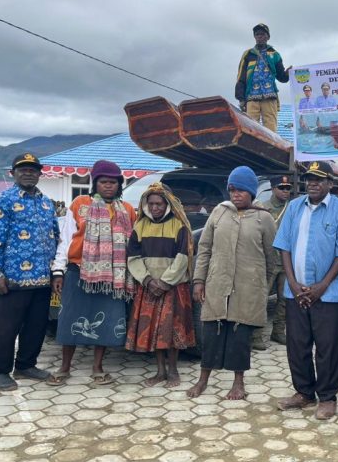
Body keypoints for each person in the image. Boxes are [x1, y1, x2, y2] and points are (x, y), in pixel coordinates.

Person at [273, 161, 338, 420]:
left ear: (330, 184)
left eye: (319, 180)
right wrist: (294, 284)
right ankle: (304, 393)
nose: (313, 183)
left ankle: (328, 397)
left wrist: (322, 286)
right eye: (309, 179)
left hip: (328, 294)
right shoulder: (295, 207)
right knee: (297, 344)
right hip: (295, 291)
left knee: (328, 347)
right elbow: (284, 246)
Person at [186, 166, 276, 400]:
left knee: (239, 337)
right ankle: (203, 380)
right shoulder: (219, 212)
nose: (236, 194)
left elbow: (271, 258)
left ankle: (238, 384)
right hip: (217, 284)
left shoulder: (264, 218)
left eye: (242, 190)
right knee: (211, 334)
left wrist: (261, 286)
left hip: (248, 288)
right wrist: (199, 280)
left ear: (252, 192)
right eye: (232, 190)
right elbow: (204, 248)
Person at [48, 160, 137, 386]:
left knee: (106, 321)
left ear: (120, 184)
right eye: (103, 182)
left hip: (113, 277)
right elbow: (66, 239)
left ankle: (98, 367)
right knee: (69, 318)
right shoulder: (80, 204)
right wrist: (58, 271)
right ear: (95, 183)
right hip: (79, 271)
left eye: (113, 182)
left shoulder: (127, 210)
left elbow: (132, 243)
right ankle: (64, 367)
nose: (108, 186)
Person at [0, 153, 59, 391]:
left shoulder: (46, 203)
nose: (28, 173)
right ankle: (0, 371)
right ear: (12, 173)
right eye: (23, 169)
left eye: (33, 169)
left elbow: (55, 237)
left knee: (37, 326)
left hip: (42, 279)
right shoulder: (1, 201)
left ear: (39, 173)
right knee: (7, 328)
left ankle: (26, 365)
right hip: (13, 280)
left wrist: (56, 271)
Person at [126, 183, 195, 388]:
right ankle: (160, 371)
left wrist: (165, 282)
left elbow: (183, 257)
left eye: (159, 204)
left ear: (168, 204)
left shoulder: (179, 226)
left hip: (172, 287)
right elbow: (133, 257)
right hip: (148, 286)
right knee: (155, 331)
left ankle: (173, 371)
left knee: (171, 330)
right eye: (151, 204)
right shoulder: (140, 226)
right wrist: (147, 280)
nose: (155, 208)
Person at [253, 174, 294, 349]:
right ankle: (256, 336)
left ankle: (278, 331)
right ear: (273, 189)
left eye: (288, 188)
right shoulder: (261, 208)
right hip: (267, 261)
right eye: (281, 188)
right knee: (261, 299)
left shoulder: (292, 208)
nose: (285, 191)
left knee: (284, 299)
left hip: (286, 261)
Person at [235, 23, 289, 132]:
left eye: (263, 34)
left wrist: (288, 74)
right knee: (249, 127)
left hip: (270, 96)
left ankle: (271, 148)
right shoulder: (248, 54)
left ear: (268, 37)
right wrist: (241, 98)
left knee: (271, 127)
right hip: (251, 97)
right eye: (257, 34)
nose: (260, 36)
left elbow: (281, 77)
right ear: (254, 37)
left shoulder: (274, 54)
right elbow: (241, 77)